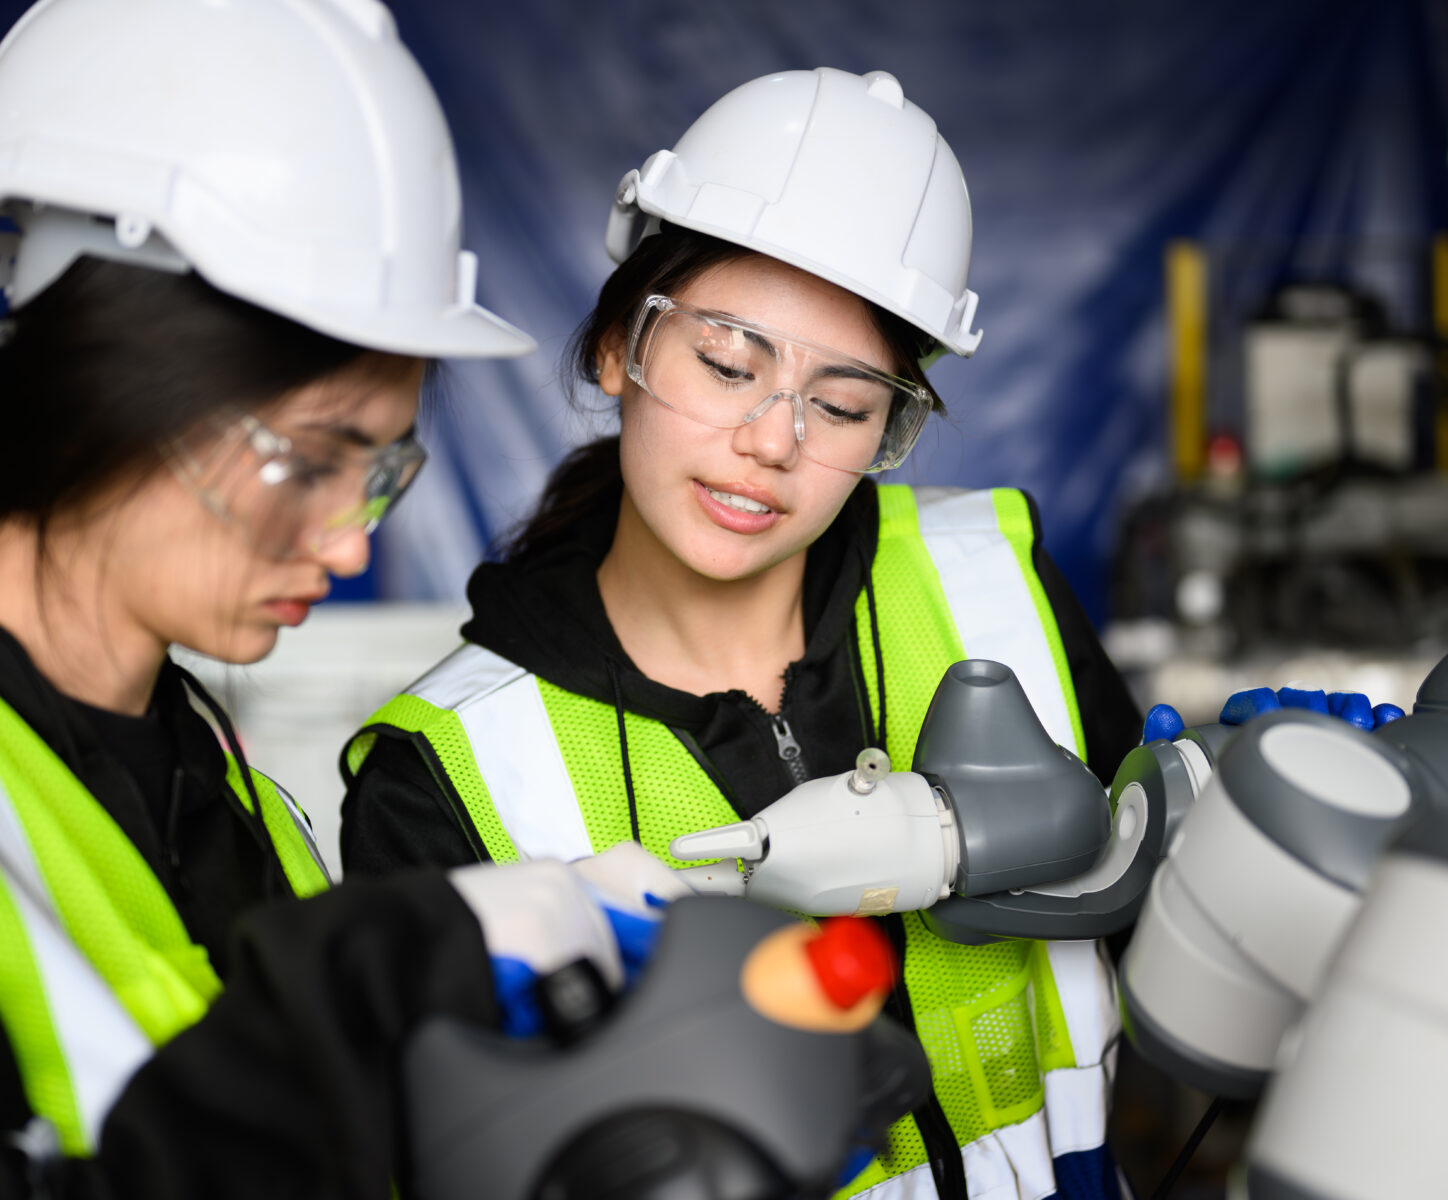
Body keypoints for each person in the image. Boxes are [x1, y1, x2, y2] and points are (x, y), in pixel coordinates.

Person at [0, 1, 679, 1197]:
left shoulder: (245, 806)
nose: (345, 549)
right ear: (109, 386)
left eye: (381, 474)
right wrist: (363, 984)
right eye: (307, 463)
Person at [342, 68, 1141, 1199]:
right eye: (728, 366)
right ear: (618, 347)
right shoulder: (446, 772)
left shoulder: (992, 582)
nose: (773, 441)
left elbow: (1145, 904)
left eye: (844, 404)